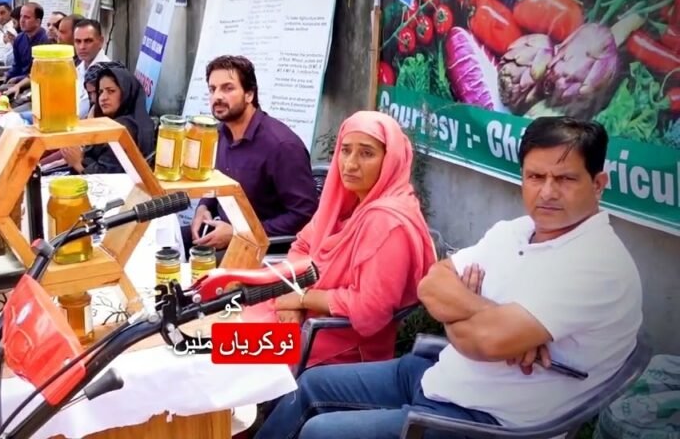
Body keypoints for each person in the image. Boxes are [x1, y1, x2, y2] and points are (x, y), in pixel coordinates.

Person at [255, 117, 643, 439]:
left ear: (598, 184)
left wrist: (462, 317)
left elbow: (480, 338)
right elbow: (432, 283)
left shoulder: (597, 264)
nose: (547, 192)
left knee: (307, 419)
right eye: (535, 176)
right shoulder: (514, 231)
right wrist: (488, 314)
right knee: (295, 378)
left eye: (565, 179)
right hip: (438, 371)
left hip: (479, 416)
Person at [245, 110, 436, 368]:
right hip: (296, 314)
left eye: (366, 153)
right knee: (209, 329)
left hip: (334, 341)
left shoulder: (388, 223)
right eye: (345, 151)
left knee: (215, 349)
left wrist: (301, 299)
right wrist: (291, 296)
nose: (350, 164)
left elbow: (370, 310)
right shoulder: (346, 201)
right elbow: (302, 245)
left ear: (390, 160)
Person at [187, 55, 318, 257]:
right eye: (212, 89)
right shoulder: (219, 134)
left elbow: (304, 215)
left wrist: (240, 234)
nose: (217, 97)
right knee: (161, 248)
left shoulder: (282, 146)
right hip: (222, 233)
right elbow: (218, 183)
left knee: (184, 270)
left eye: (227, 88)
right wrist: (203, 208)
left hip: (264, 250)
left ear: (249, 94)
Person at [61, 66, 155, 174]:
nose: (103, 97)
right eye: (100, 92)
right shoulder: (114, 121)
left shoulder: (125, 128)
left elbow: (107, 177)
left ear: (126, 93)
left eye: (111, 91)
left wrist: (77, 163)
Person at [73, 18, 111, 119]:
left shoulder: (107, 73)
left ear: (101, 41)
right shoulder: (77, 69)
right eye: (78, 41)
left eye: (88, 41)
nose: (82, 47)